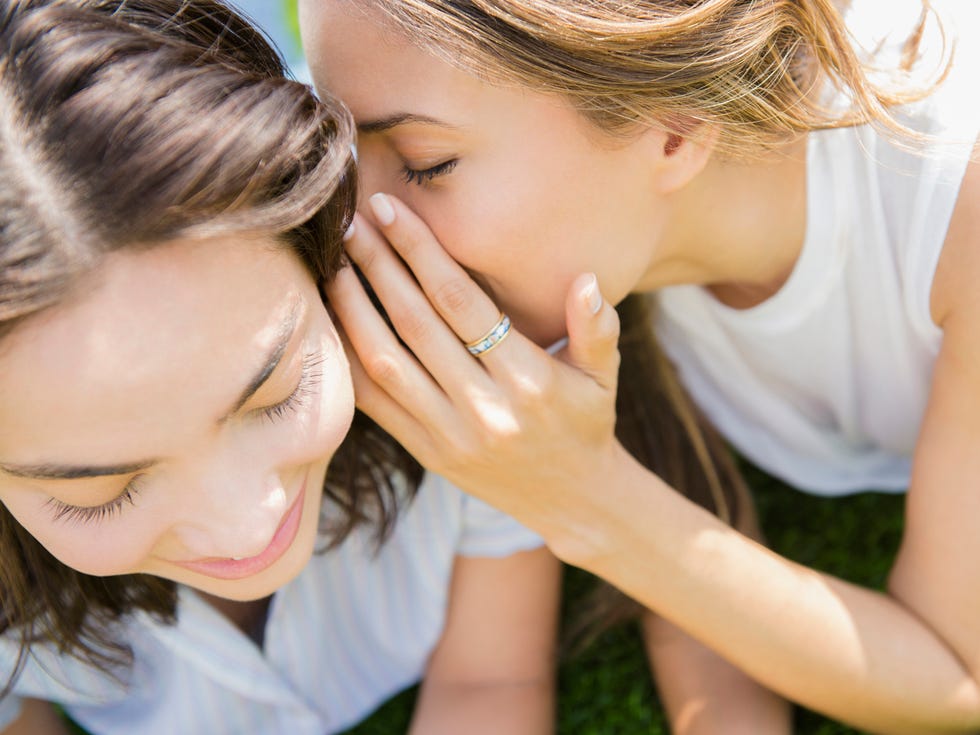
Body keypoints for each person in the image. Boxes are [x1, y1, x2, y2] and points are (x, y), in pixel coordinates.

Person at [299, 0, 980, 732]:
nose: (362, 229)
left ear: (676, 124)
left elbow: (954, 677)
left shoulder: (951, 199)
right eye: (343, 162)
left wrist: (585, 495)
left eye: (426, 165)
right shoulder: (602, 266)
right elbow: (708, 603)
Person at [0, 2, 560, 734]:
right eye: (104, 491)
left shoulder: (458, 355)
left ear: (322, 245)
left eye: (275, 393)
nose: (245, 525)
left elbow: (489, 677)